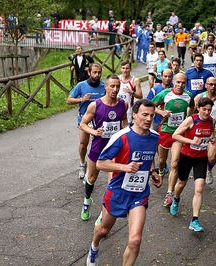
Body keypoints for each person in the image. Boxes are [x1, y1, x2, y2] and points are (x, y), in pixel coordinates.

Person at [85, 99, 162, 266]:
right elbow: (100, 163)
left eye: (151, 115)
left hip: (139, 194)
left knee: (135, 240)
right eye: (144, 115)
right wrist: (125, 167)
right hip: (118, 191)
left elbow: (150, 157)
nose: (149, 119)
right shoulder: (121, 137)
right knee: (104, 230)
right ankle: (94, 246)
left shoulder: (155, 137)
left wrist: (153, 172)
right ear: (134, 115)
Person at [79, 75, 128, 221]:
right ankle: (87, 200)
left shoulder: (123, 104)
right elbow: (82, 124)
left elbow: (124, 120)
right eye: (112, 86)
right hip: (98, 146)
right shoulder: (95, 105)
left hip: (114, 149)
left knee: (111, 182)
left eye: (117, 86)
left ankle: (103, 212)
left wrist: (126, 133)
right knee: (91, 177)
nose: (115, 89)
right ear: (105, 87)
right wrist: (94, 132)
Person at [169, 97, 216, 232]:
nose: (207, 112)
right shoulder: (191, 120)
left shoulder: (211, 121)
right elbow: (175, 135)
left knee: (199, 188)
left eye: (209, 109)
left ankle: (195, 220)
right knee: (181, 183)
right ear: (198, 108)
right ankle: (176, 198)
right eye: (204, 109)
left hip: (201, 158)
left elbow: (211, 134)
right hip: (186, 156)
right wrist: (190, 141)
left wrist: (212, 140)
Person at [151, 73, 194, 207]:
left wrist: (189, 119)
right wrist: (161, 112)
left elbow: (192, 107)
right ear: (173, 82)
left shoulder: (189, 96)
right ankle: (162, 171)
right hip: (165, 132)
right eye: (178, 82)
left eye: (183, 83)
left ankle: (169, 193)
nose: (180, 85)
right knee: (162, 160)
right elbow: (151, 106)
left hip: (178, 134)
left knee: (175, 163)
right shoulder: (165, 94)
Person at [66, 63, 106, 180]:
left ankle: (91, 170)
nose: (97, 74)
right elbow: (68, 100)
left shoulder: (104, 86)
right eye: (94, 72)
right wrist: (81, 99)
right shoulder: (81, 85)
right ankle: (82, 164)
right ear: (89, 73)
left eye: (99, 72)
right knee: (84, 144)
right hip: (84, 118)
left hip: (98, 120)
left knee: (96, 146)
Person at [194, 77, 216, 184]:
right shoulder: (200, 97)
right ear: (206, 85)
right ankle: (199, 172)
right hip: (199, 130)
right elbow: (193, 111)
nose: (213, 86)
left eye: (215, 84)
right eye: (210, 84)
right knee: (198, 155)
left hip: (215, 130)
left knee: (212, 158)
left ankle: (208, 170)